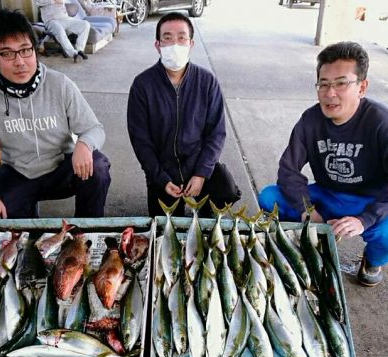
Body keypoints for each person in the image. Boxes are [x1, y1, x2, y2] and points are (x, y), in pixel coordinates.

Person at [258, 41, 388, 287]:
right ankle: (302, 241)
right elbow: (288, 170)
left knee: (386, 234)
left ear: (362, 87)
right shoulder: (311, 119)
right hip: (326, 195)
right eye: (324, 84)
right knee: (268, 197)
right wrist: (308, 209)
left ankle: (372, 261)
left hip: (369, 201)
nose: (330, 93)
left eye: (341, 83)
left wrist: (365, 219)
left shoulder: (381, 122)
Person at [0, 9, 111, 220]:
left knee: (97, 166)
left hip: (62, 167)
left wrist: (85, 144)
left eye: (26, 50)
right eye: (7, 53)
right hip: (19, 173)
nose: (20, 61)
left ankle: (86, 232)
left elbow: (94, 128)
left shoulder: (59, 84)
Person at [127, 12, 240, 218]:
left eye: (181, 38)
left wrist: (201, 174)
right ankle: (170, 198)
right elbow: (140, 141)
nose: (175, 44)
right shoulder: (142, 85)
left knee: (226, 191)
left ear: (191, 44)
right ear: (157, 45)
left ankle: (206, 212)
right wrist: (160, 178)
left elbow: (216, 134)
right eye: (167, 38)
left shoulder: (207, 81)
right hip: (163, 170)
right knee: (165, 223)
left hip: (198, 163)